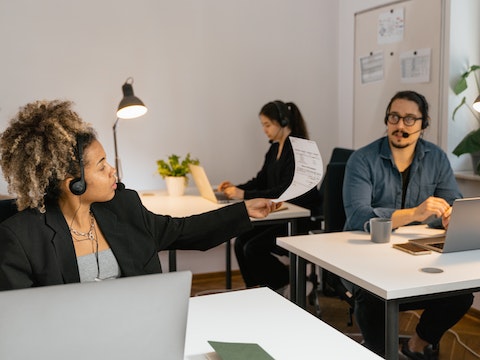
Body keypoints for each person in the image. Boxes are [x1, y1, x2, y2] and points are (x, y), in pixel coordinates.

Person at [0, 100, 280, 290]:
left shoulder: (124, 207)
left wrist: (244, 210)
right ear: (72, 182)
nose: (112, 172)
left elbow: (184, 230)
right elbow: (19, 322)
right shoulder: (22, 238)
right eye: (101, 166)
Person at [342, 90, 473, 359]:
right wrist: (415, 212)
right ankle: (381, 353)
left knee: (461, 295)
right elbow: (357, 215)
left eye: (410, 119)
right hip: (363, 257)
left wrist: (450, 217)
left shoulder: (436, 158)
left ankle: (415, 346)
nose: (400, 126)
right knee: (371, 299)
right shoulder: (362, 159)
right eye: (394, 117)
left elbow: (453, 202)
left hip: (415, 256)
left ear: (423, 124)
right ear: (387, 120)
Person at [218, 100, 321, 293]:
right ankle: (257, 290)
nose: (264, 130)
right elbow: (260, 180)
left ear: (282, 121)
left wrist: (245, 194)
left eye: (267, 125)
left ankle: (288, 281)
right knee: (240, 242)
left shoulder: (300, 149)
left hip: (299, 218)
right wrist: (235, 188)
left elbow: (284, 189)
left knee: (253, 248)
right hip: (280, 213)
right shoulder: (274, 148)